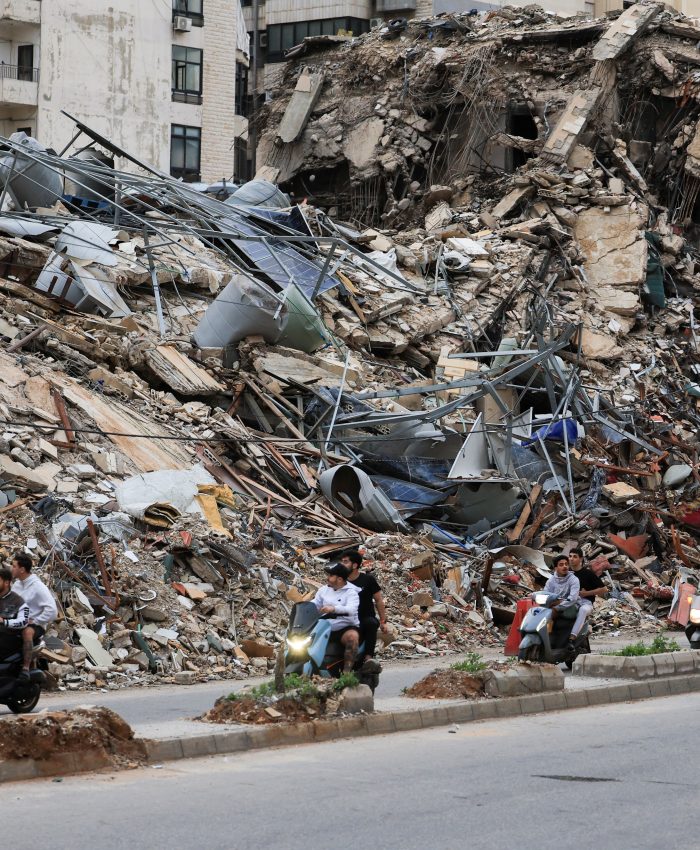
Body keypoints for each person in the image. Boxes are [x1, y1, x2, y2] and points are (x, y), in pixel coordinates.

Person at [11, 552, 57, 678]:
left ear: (22, 569)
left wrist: (36, 620)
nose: (11, 569)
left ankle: (26, 667)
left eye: (14, 566)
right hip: (17, 620)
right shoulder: (17, 584)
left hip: (34, 624)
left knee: (27, 632)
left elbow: (52, 610)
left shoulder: (38, 587)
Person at [340, 549, 385, 674]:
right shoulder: (340, 581)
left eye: (345, 562)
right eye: (341, 562)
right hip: (346, 619)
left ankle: (368, 658)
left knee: (371, 623)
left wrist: (383, 621)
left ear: (354, 565)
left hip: (364, 618)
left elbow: (379, 600)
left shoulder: (368, 580)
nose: (342, 564)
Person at [312, 564, 360, 673]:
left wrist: (334, 609)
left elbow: (351, 609)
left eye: (331, 575)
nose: (327, 578)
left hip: (344, 628)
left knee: (352, 638)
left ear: (339, 579)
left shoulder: (351, 593)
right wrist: (304, 606)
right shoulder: (323, 590)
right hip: (323, 627)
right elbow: (315, 603)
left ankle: (347, 672)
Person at [567, 547, 606, 647]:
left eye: (575, 557)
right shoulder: (566, 573)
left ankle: (572, 638)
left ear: (581, 559)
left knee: (583, 610)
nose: (571, 559)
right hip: (570, 601)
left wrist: (586, 593)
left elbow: (604, 589)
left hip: (585, 602)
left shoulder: (588, 574)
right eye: (570, 556)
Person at [0, 567, 29, 664]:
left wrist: (5, 622)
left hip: (9, 637)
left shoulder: (18, 601)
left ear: (6, 583)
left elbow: (24, 621)